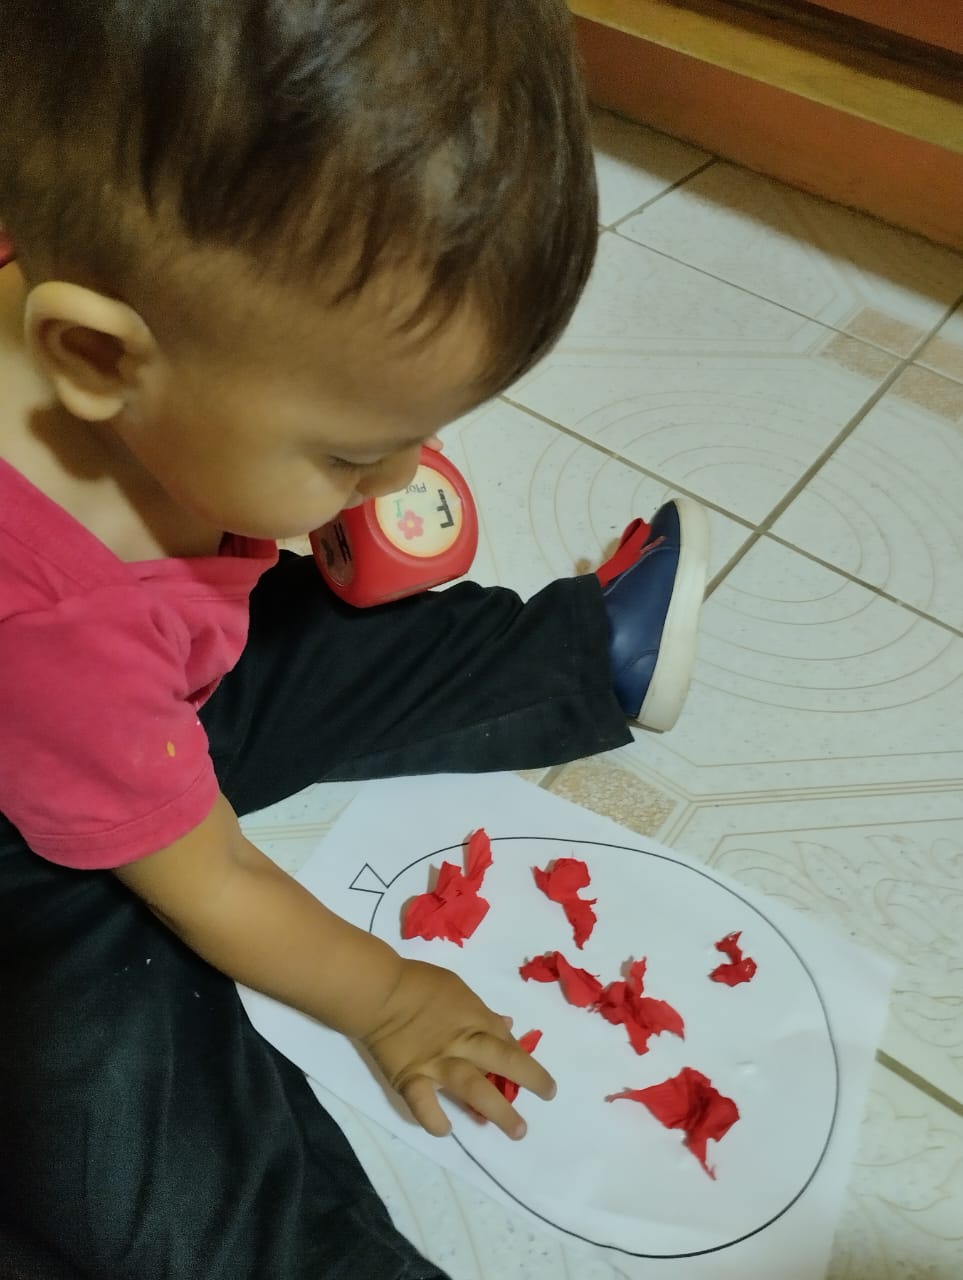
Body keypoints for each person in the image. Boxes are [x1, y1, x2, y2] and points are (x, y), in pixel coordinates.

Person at [0, 3, 709, 1276]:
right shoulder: (51, 618)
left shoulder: (97, 285)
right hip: (33, 833)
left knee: (306, 635)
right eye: (351, 452)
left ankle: (579, 653)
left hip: (146, 679)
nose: (396, 482)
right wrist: (390, 996)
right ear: (98, 355)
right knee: (110, 1128)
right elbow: (214, 874)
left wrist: (304, 476)